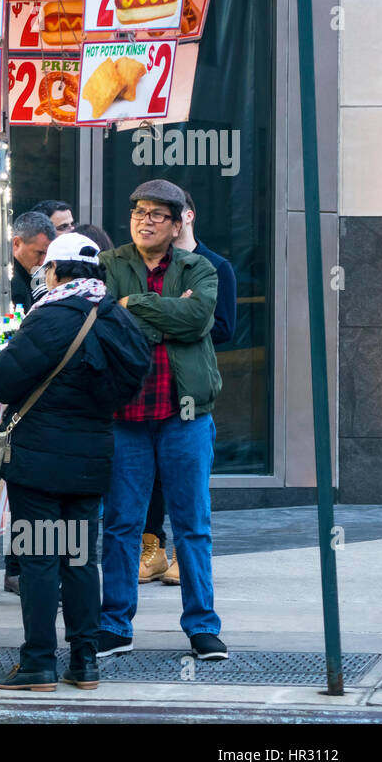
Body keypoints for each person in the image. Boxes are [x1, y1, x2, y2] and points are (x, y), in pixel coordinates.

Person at [0, 233, 151, 691]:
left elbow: (1, 379)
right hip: (89, 462)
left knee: (38, 562)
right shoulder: (115, 317)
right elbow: (132, 379)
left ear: (55, 271)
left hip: (38, 466)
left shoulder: (49, 317)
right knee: (78, 560)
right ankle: (84, 662)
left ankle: (38, 663)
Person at [98, 180, 228, 661]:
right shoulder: (109, 266)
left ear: (178, 225)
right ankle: (114, 625)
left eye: (157, 214)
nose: (145, 220)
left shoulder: (202, 269)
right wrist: (163, 316)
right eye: (138, 211)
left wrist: (137, 307)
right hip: (125, 416)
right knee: (120, 525)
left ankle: (202, 627)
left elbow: (197, 321)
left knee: (193, 525)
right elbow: (106, 322)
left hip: (185, 416)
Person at [140, 189, 237, 586]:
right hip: (149, 385)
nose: (155, 223)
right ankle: (152, 549)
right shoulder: (143, 267)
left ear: (186, 219)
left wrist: (175, 318)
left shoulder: (216, 266)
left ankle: (184, 552)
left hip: (191, 385)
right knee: (148, 477)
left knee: (188, 477)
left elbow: (225, 327)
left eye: (165, 216)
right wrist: (178, 312)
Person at [2, 210, 56, 593]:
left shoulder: (35, 285)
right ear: (16, 243)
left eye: (47, 257)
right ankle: (10, 570)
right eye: (38, 254)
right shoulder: (1, 281)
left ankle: (21, 569)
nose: (41, 263)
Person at [10, 210, 56, 313]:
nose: (43, 262)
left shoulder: (36, 273)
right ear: (16, 243)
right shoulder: (7, 281)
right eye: (39, 253)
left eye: (48, 254)